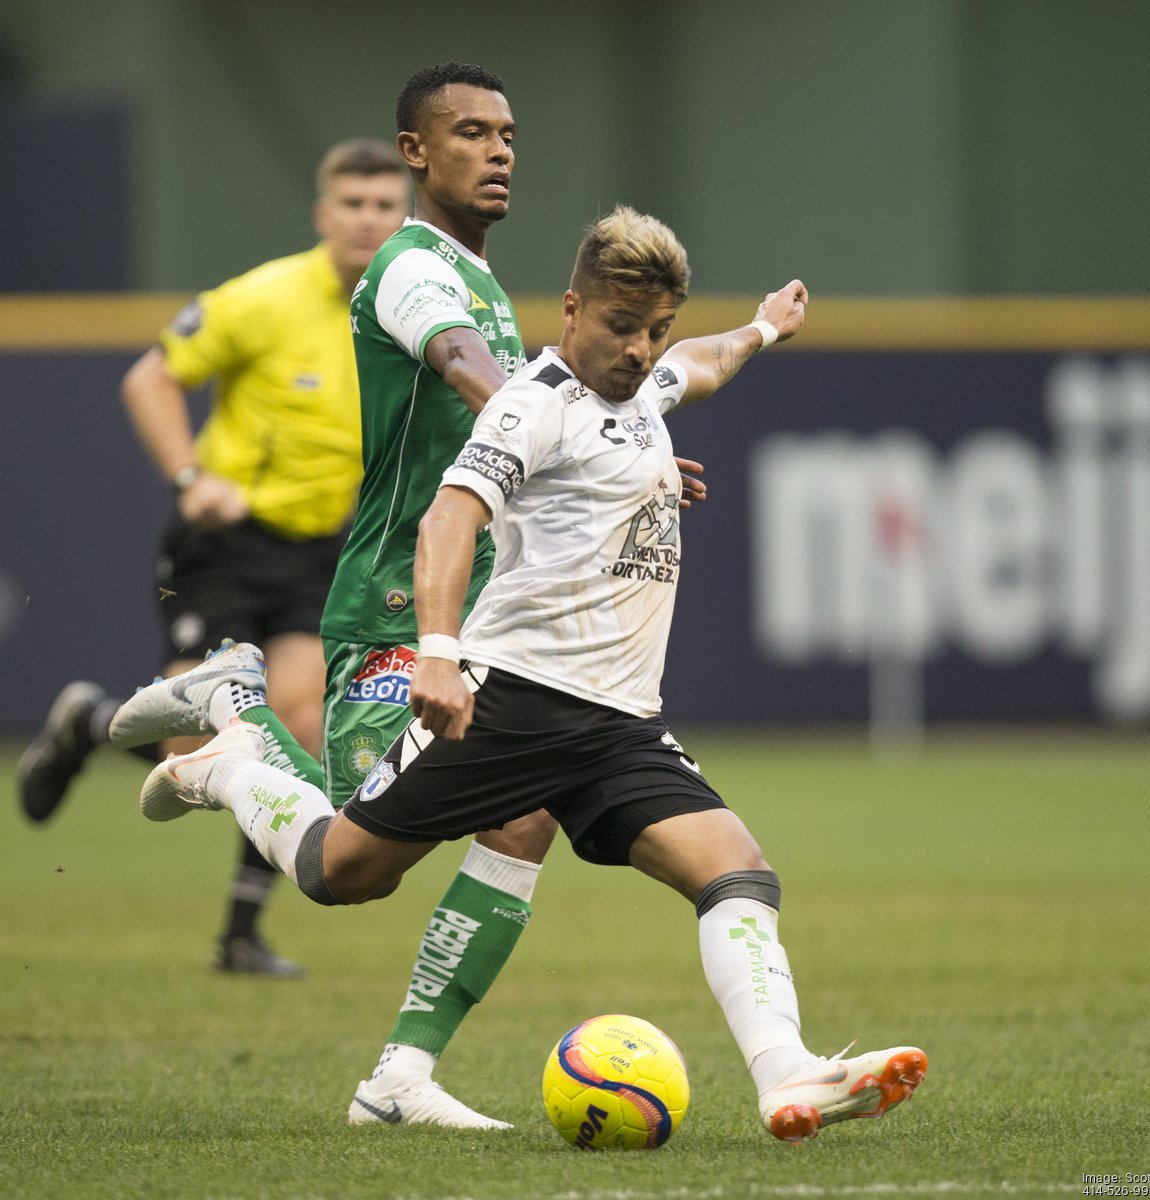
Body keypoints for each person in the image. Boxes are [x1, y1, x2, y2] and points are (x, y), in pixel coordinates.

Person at [117, 205, 927, 1142]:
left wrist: (758, 328)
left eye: (653, 328)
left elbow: (696, 367)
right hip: (510, 705)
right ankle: (230, 757)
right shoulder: (533, 402)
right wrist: (439, 652)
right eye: (621, 328)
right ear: (573, 310)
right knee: (343, 872)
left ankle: (789, 1073)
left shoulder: (641, 393)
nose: (639, 349)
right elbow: (449, 517)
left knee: (739, 871)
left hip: (618, 723)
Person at [17, 138, 411, 976]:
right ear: (323, 215)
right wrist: (190, 476)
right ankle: (88, 721)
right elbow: (149, 378)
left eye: (385, 206)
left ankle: (240, 935)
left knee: (289, 728)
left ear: (405, 216)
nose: (369, 220)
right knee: (195, 745)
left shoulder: (402, 310)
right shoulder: (264, 297)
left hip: (321, 551)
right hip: (226, 544)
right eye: (354, 204)